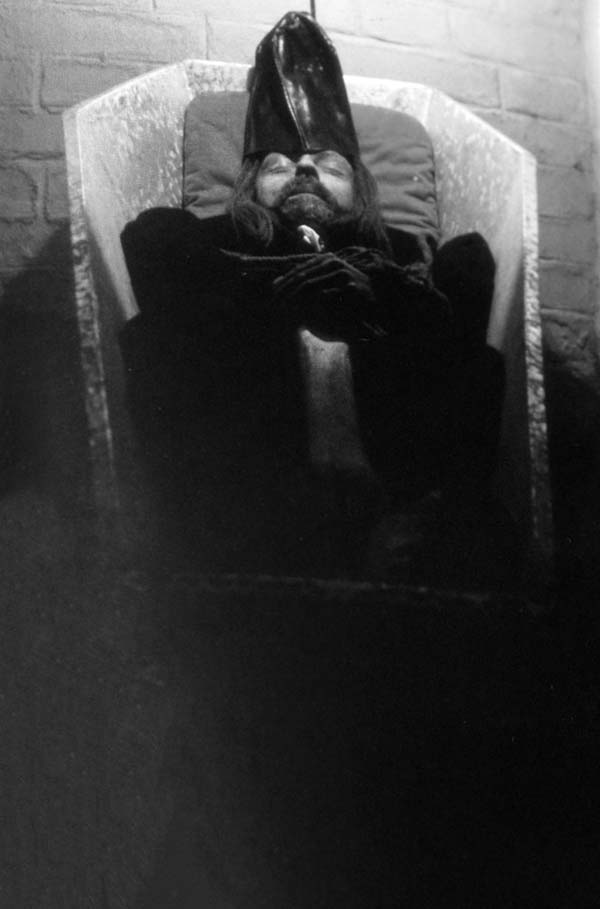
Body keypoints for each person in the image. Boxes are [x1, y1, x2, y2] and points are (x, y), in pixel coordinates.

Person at [121, 11, 510, 584]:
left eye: (329, 165)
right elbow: (151, 251)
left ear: (360, 189)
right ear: (252, 186)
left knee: (468, 271)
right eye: (279, 165)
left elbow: (445, 355)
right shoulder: (217, 240)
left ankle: (424, 520)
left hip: (393, 474)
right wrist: (281, 295)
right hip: (249, 484)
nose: (303, 168)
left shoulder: (399, 253)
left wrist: (377, 298)